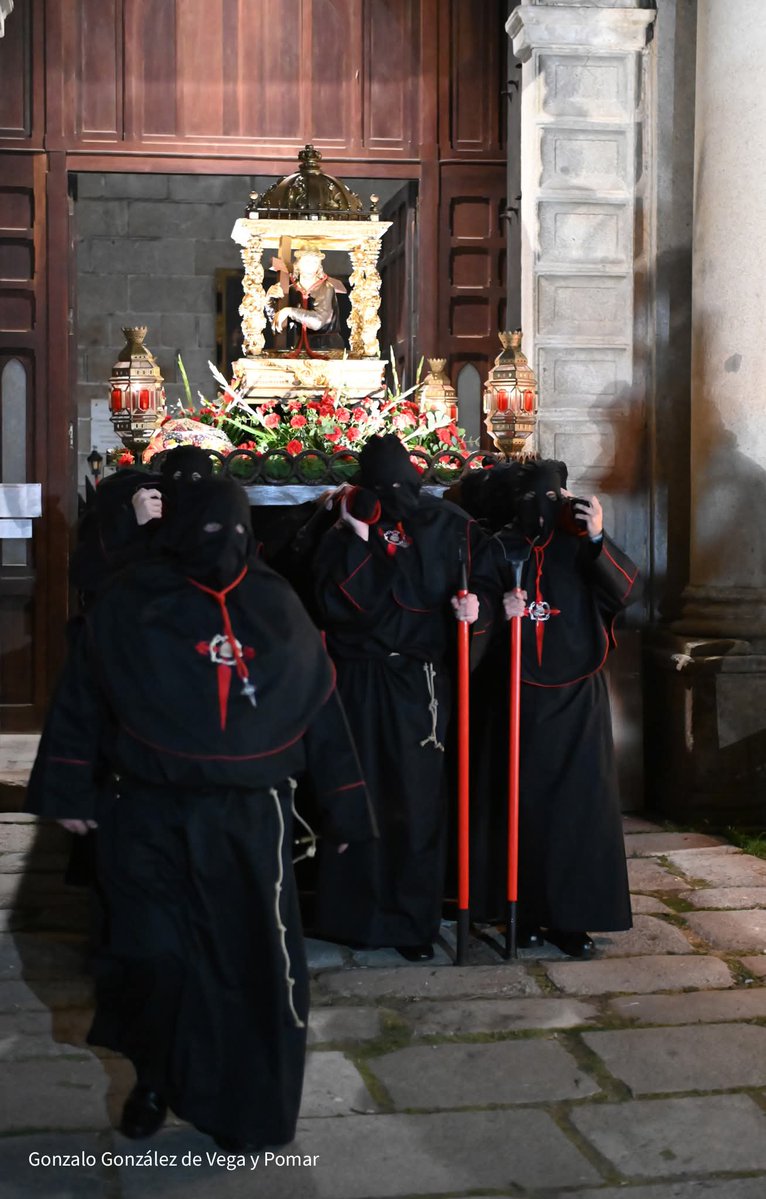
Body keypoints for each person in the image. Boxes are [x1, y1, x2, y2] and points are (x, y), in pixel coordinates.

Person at [27, 477, 374, 1149]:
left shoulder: (276, 605)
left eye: (234, 532)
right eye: (209, 531)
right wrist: (69, 792)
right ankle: (154, 1079)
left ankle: (251, 1106)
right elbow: (82, 697)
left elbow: (319, 705)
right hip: (147, 811)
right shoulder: (131, 599)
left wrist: (347, 808)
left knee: (253, 966)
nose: (224, 546)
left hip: (251, 819)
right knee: (153, 958)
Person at [311, 434, 493, 961]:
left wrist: (473, 608)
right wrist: (358, 537)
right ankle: (352, 917)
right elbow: (333, 601)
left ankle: (412, 921)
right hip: (356, 679)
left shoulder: (451, 527)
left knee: (415, 802)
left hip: (420, 682)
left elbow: (481, 579)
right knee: (355, 794)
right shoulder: (339, 527)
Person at [463, 459, 639, 958]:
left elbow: (626, 591)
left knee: (576, 810)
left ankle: (572, 918)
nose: (541, 511)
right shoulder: (499, 548)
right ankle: (521, 913)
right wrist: (494, 610)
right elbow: (476, 606)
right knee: (520, 805)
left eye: (551, 500)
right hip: (515, 696)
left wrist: (599, 538)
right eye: (531, 501)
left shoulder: (584, 546)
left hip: (576, 696)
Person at [266, 249, 345, 354]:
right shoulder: (292, 289)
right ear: (298, 264)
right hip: (300, 347)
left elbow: (318, 322)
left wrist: (289, 311)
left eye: (315, 262)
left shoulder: (326, 287)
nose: (311, 265)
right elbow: (279, 324)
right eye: (307, 261)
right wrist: (269, 300)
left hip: (327, 349)